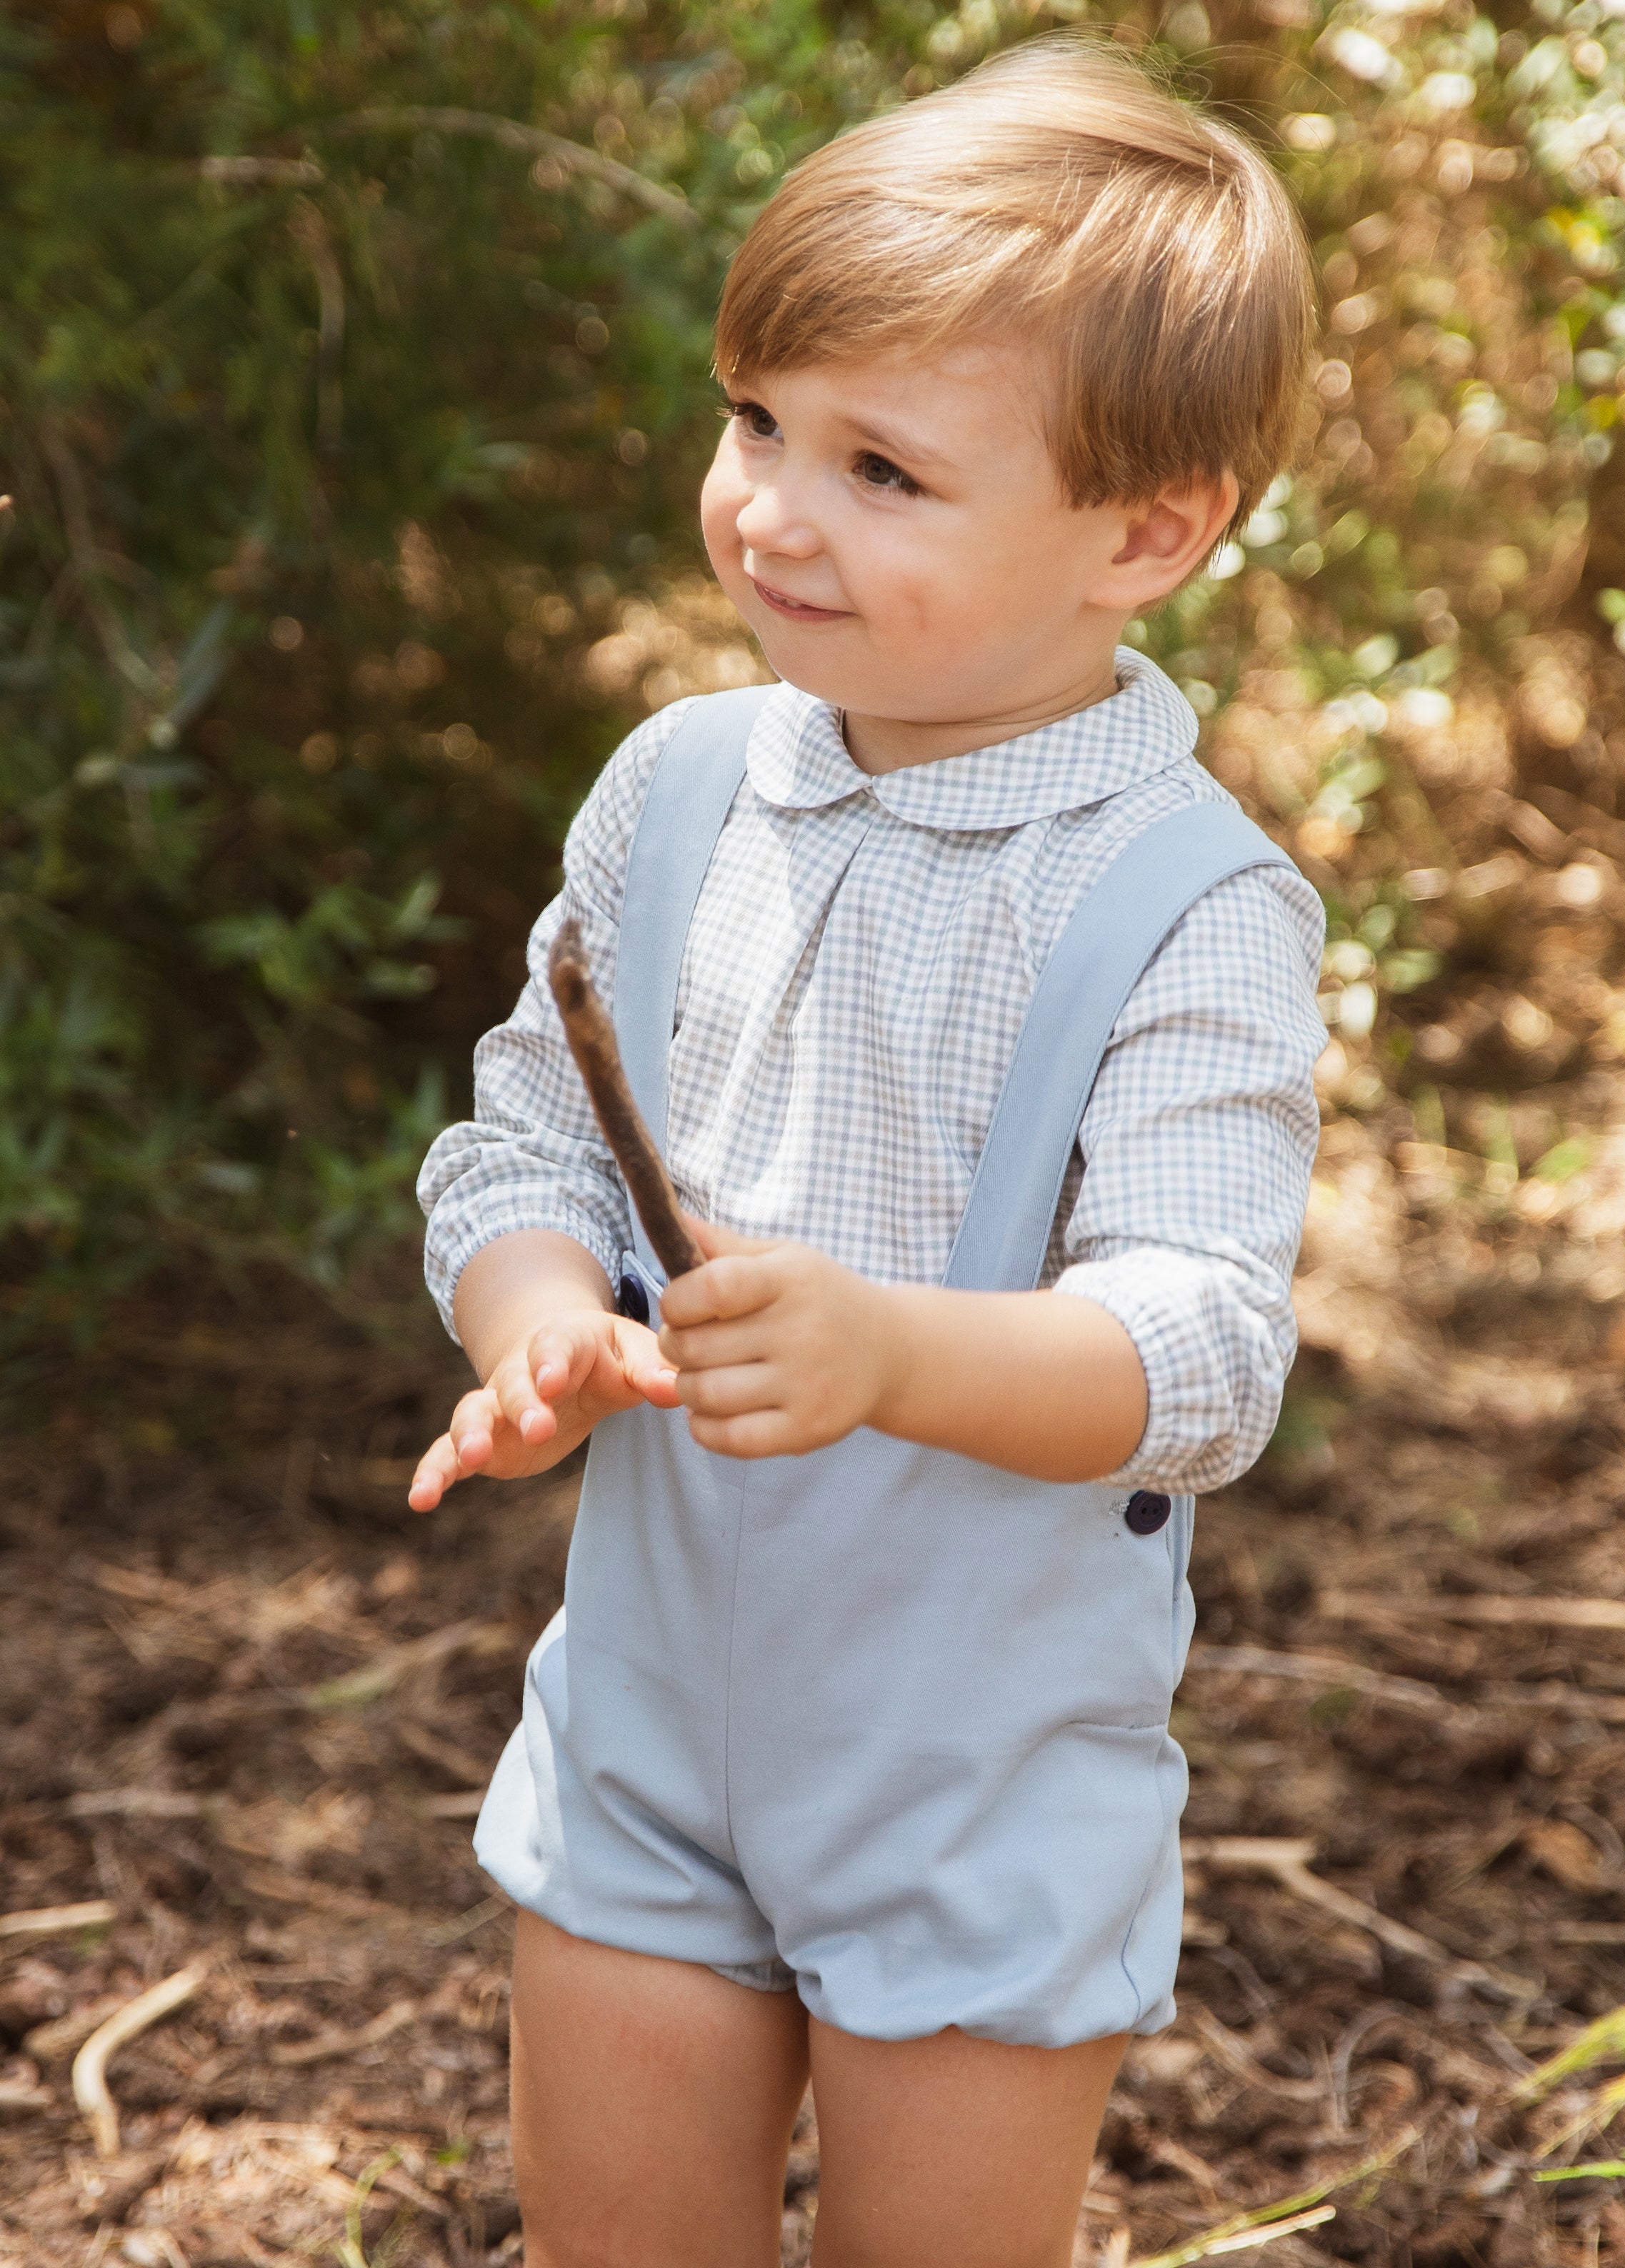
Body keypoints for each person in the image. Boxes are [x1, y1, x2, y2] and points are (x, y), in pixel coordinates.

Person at [411, 36, 1326, 2268]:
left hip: (974, 1787)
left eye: (884, 469)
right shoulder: (680, 790)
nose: (773, 511)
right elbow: (524, 1141)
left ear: (1147, 530)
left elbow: (1203, 1351)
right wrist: (543, 1331)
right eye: (757, 422)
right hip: (645, 1741)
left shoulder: (1184, 900)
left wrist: (885, 1353)